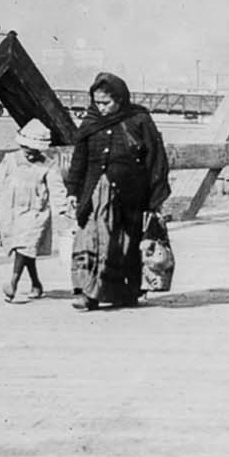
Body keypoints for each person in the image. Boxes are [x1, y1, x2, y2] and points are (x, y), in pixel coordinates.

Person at [65, 72, 171, 311]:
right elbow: (79, 159)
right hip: (93, 193)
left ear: (120, 99)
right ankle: (87, 293)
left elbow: (156, 158)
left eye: (106, 103)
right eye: (97, 102)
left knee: (124, 243)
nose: (100, 108)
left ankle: (126, 292)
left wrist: (155, 199)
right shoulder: (90, 122)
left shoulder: (139, 119)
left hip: (130, 196)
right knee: (90, 238)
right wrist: (73, 190)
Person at [0, 119, 67, 303]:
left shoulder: (48, 165)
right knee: (23, 248)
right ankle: (36, 283)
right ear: (22, 145)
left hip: (36, 212)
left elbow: (57, 187)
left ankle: (13, 284)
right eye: (27, 151)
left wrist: (62, 208)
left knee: (25, 244)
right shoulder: (9, 160)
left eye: (35, 152)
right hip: (11, 210)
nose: (30, 155)